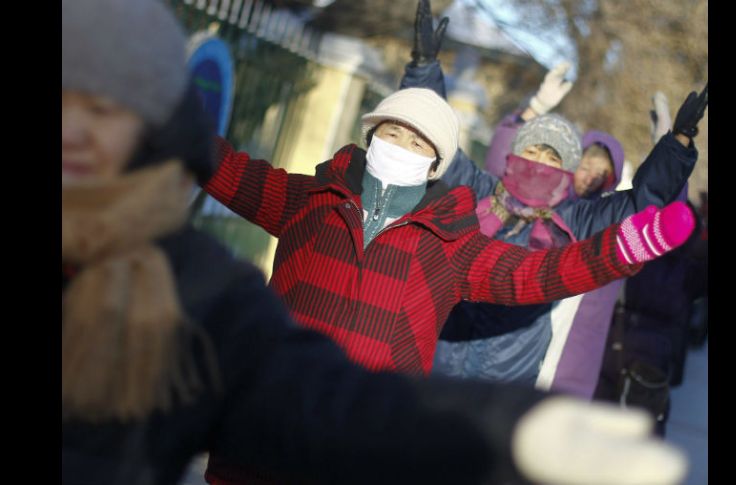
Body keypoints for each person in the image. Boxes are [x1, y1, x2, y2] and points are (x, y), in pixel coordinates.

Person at [61, 1, 693, 485]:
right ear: (371, 135)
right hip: (249, 461)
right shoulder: (309, 198)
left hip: (358, 453)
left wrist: (625, 248)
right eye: (392, 130)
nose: (401, 145)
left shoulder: (452, 241)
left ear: (437, 161)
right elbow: (223, 166)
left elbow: (539, 276)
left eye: (418, 141)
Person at [397, 0, 707, 390]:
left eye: (551, 156)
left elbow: (638, 206)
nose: (539, 162)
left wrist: (675, 146)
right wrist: (424, 70)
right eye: (532, 151)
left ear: (565, 169)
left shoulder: (577, 219)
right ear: (513, 155)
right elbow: (432, 141)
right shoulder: (478, 192)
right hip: (438, 357)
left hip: (506, 384)